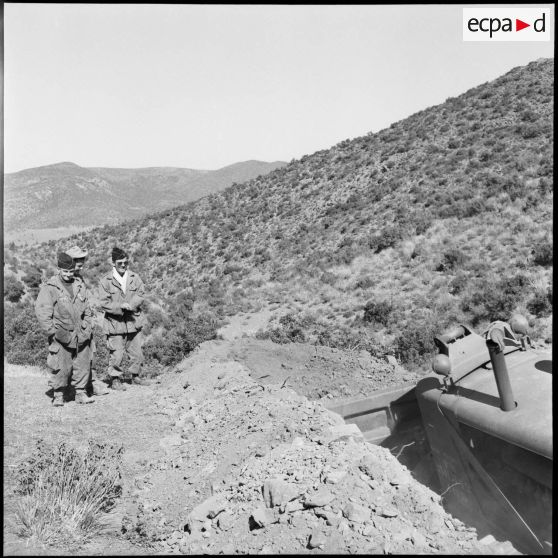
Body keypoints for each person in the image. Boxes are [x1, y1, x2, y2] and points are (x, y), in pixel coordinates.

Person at [35, 252, 95, 406]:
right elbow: (43, 313)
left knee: (83, 363)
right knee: (61, 366)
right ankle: (59, 395)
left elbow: (88, 309)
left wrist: (87, 326)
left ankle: (80, 393)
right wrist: (53, 333)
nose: (69, 274)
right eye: (65, 271)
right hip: (61, 334)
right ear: (59, 269)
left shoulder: (79, 284)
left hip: (81, 333)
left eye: (71, 271)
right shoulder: (50, 287)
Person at [98, 247, 150, 390]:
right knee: (117, 353)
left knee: (136, 351)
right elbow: (104, 302)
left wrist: (131, 305)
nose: (123, 265)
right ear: (113, 263)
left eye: (125, 262)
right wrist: (121, 306)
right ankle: (115, 379)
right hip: (115, 323)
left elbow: (141, 294)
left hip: (133, 320)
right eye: (120, 262)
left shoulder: (134, 277)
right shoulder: (106, 281)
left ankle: (135, 376)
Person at [65, 245, 109, 396]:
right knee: (75, 358)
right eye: (78, 260)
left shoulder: (79, 278)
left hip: (85, 324)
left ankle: (90, 385)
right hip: (72, 326)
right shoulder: (65, 279)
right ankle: (78, 390)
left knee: (90, 354)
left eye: (82, 260)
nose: (81, 263)